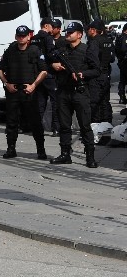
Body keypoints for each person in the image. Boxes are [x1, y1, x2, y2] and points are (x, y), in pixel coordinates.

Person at [50, 21, 101, 167]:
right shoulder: (61, 49)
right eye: (67, 32)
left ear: (79, 35)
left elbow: (97, 70)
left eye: (71, 32)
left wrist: (82, 74)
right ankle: (65, 154)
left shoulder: (87, 50)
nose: (68, 34)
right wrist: (54, 65)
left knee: (85, 125)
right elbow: (49, 63)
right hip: (63, 91)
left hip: (80, 91)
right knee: (64, 125)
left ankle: (90, 157)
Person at [0, 25, 49, 160]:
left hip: (29, 92)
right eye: (19, 36)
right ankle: (11, 149)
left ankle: (41, 150)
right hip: (13, 92)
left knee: (35, 122)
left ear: (28, 37)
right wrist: (6, 83)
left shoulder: (35, 50)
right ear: (16, 36)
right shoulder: (10, 50)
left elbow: (43, 71)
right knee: (11, 122)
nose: (21, 38)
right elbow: (0, 70)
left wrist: (34, 85)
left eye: (23, 36)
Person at [86, 19, 115, 135]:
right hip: (106, 74)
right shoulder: (108, 41)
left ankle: (96, 125)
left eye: (89, 29)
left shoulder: (94, 42)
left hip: (96, 76)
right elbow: (112, 58)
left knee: (94, 101)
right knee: (105, 100)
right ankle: (107, 123)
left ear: (93, 30)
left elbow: (92, 59)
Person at [32, 18, 60, 136]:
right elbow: (51, 53)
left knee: (40, 103)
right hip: (49, 74)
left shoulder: (33, 39)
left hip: (37, 75)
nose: (52, 29)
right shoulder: (48, 38)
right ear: (46, 26)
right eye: (51, 26)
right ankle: (56, 128)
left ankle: (37, 128)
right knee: (55, 102)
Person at [115, 25, 127, 104]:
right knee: (123, 80)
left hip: (122, 61)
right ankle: (122, 96)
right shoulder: (124, 38)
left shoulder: (119, 37)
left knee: (122, 80)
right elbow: (123, 49)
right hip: (125, 61)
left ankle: (122, 96)